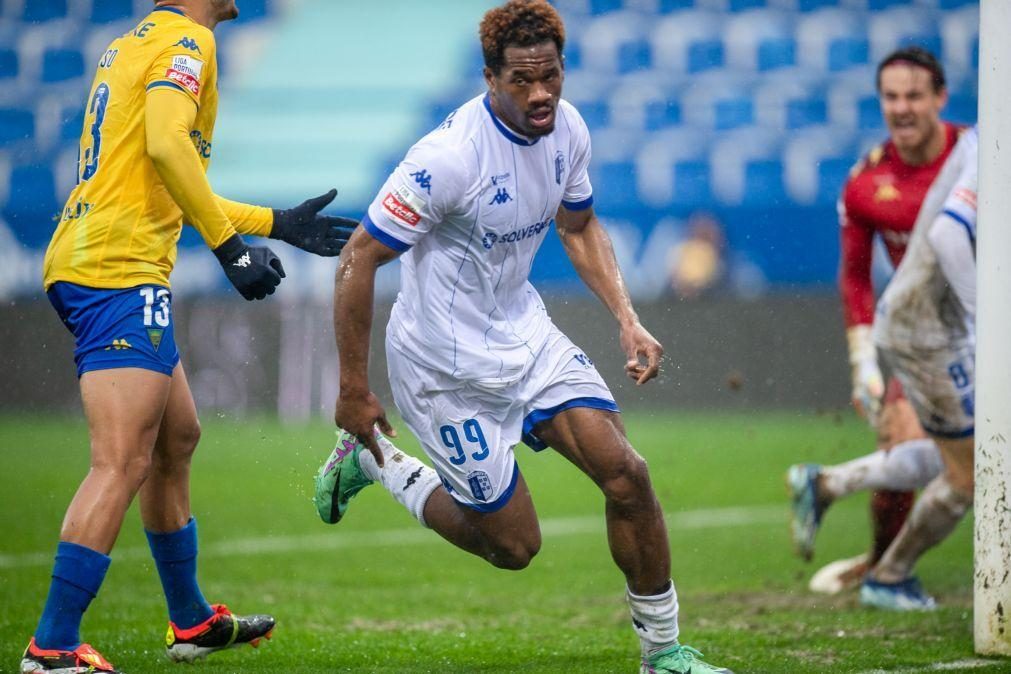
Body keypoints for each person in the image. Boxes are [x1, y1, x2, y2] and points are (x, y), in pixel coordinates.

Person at [315, 2, 731, 672]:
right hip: (442, 368)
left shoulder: (567, 131)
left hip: (525, 337)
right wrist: (353, 389)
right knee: (512, 547)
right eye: (521, 81)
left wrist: (626, 317)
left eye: (550, 77)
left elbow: (578, 227)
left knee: (626, 475)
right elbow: (358, 257)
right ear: (490, 78)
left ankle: (663, 652)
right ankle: (376, 462)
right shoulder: (446, 160)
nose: (540, 95)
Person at [21, 2, 357, 672]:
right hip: (116, 269)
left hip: (101, 257)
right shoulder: (187, 40)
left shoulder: (136, 40)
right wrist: (231, 249)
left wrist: (272, 222)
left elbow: (162, 177)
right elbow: (168, 146)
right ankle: (52, 645)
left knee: (175, 440)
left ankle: (191, 621)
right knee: (120, 460)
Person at [787, 47, 963, 592]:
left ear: (940, 98)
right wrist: (865, 361)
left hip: (990, 326)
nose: (902, 108)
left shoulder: (980, 160)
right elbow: (857, 277)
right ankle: (885, 569)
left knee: (963, 466)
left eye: (914, 95)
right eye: (891, 96)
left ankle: (834, 489)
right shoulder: (867, 183)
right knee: (905, 439)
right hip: (926, 339)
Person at [859, 125, 978, 610]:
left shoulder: (973, 140)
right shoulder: (988, 145)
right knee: (970, 470)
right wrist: (986, 321)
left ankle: (829, 482)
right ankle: (887, 574)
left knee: (960, 456)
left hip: (935, 321)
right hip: (928, 328)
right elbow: (949, 235)